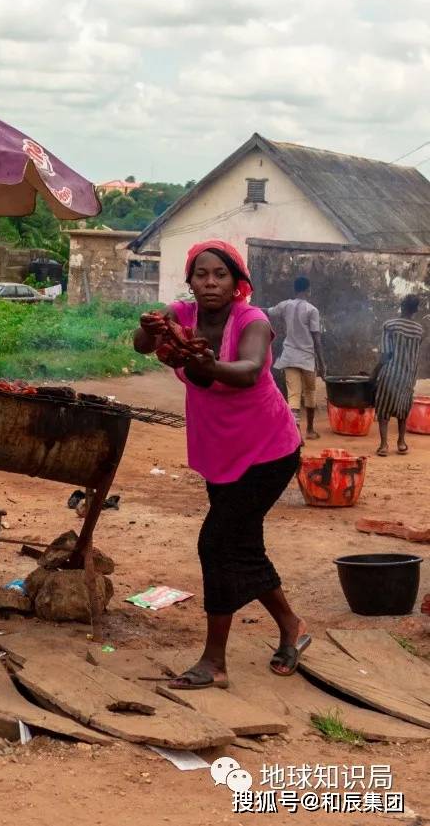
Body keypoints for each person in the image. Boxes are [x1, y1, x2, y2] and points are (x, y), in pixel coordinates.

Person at [133, 240, 309, 689]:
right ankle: (292, 626)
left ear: (237, 282)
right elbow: (140, 346)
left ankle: (214, 661)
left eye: (220, 275)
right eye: (201, 275)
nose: (210, 283)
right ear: (190, 281)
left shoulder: (254, 320)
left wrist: (210, 363)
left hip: (268, 450)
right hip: (219, 451)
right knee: (243, 546)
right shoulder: (181, 315)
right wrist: (150, 328)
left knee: (217, 543)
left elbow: (250, 370)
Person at [267, 276, 326, 440]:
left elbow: (268, 311)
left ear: (294, 289)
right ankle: (310, 430)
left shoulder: (285, 305)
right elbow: (317, 340)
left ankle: (296, 434)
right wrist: (322, 363)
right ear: (308, 290)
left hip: (290, 356)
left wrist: (245, 307)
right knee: (310, 393)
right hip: (307, 359)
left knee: (293, 395)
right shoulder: (312, 310)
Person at [374, 294, 424, 457]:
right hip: (408, 375)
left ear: (401, 306)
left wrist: (374, 373)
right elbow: (414, 352)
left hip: (390, 373)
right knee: (403, 409)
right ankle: (401, 442)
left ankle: (383, 445)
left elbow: (386, 354)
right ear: (416, 310)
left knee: (383, 409)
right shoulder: (419, 330)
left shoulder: (390, 325)